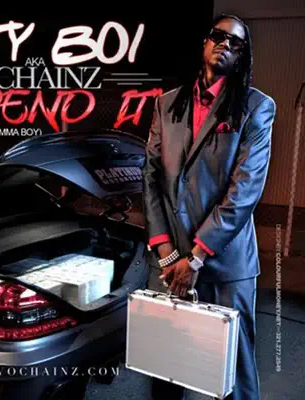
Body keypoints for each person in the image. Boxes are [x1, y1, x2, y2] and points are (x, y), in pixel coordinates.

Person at [142, 13, 276, 400]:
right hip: (168, 262)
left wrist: (197, 256)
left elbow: (244, 190)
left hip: (225, 262)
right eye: (219, 36)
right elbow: (151, 177)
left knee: (235, 371)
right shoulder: (167, 103)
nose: (225, 45)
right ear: (204, 41)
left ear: (243, 55)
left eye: (236, 43)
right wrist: (166, 251)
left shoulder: (256, 107)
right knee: (164, 365)